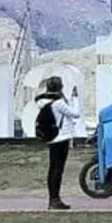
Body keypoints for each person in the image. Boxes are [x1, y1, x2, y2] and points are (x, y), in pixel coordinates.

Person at [35, 76, 81, 210]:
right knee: (58, 169)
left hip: (51, 137)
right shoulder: (59, 103)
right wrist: (75, 99)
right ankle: (55, 200)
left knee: (53, 168)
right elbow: (75, 114)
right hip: (61, 137)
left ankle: (53, 199)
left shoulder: (43, 101)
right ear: (60, 87)